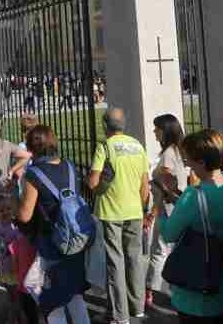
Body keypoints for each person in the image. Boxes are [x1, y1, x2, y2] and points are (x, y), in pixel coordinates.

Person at [160, 129, 223, 323]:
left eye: (188, 159)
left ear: (202, 162)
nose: (187, 163)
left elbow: (169, 234)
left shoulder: (193, 195)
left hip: (196, 289)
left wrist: (159, 207)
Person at [17, 124, 91, 324]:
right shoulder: (69, 165)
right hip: (75, 236)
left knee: (53, 298)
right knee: (75, 292)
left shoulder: (34, 174)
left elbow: (25, 215)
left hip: (52, 240)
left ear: (32, 147)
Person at [88, 107, 150, 324]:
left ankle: (119, 314)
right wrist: (141, 206)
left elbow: (93, 182)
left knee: (115, 262)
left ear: (105, 125)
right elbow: (145, 184)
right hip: (134, 209)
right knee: (134, 259)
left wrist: (97, 186)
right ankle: (137, 306)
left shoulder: (105, 146)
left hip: (111, 210)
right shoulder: (137, 145)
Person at [145, 114, 189, 306]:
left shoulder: (169, 154)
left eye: (157, 128)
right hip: (176, 207)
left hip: (166, 208)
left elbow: (166, 184)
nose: (154, 131)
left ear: (166, 130)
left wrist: (153, 211)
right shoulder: (177, 150)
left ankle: (151, 291)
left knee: (159, 250)